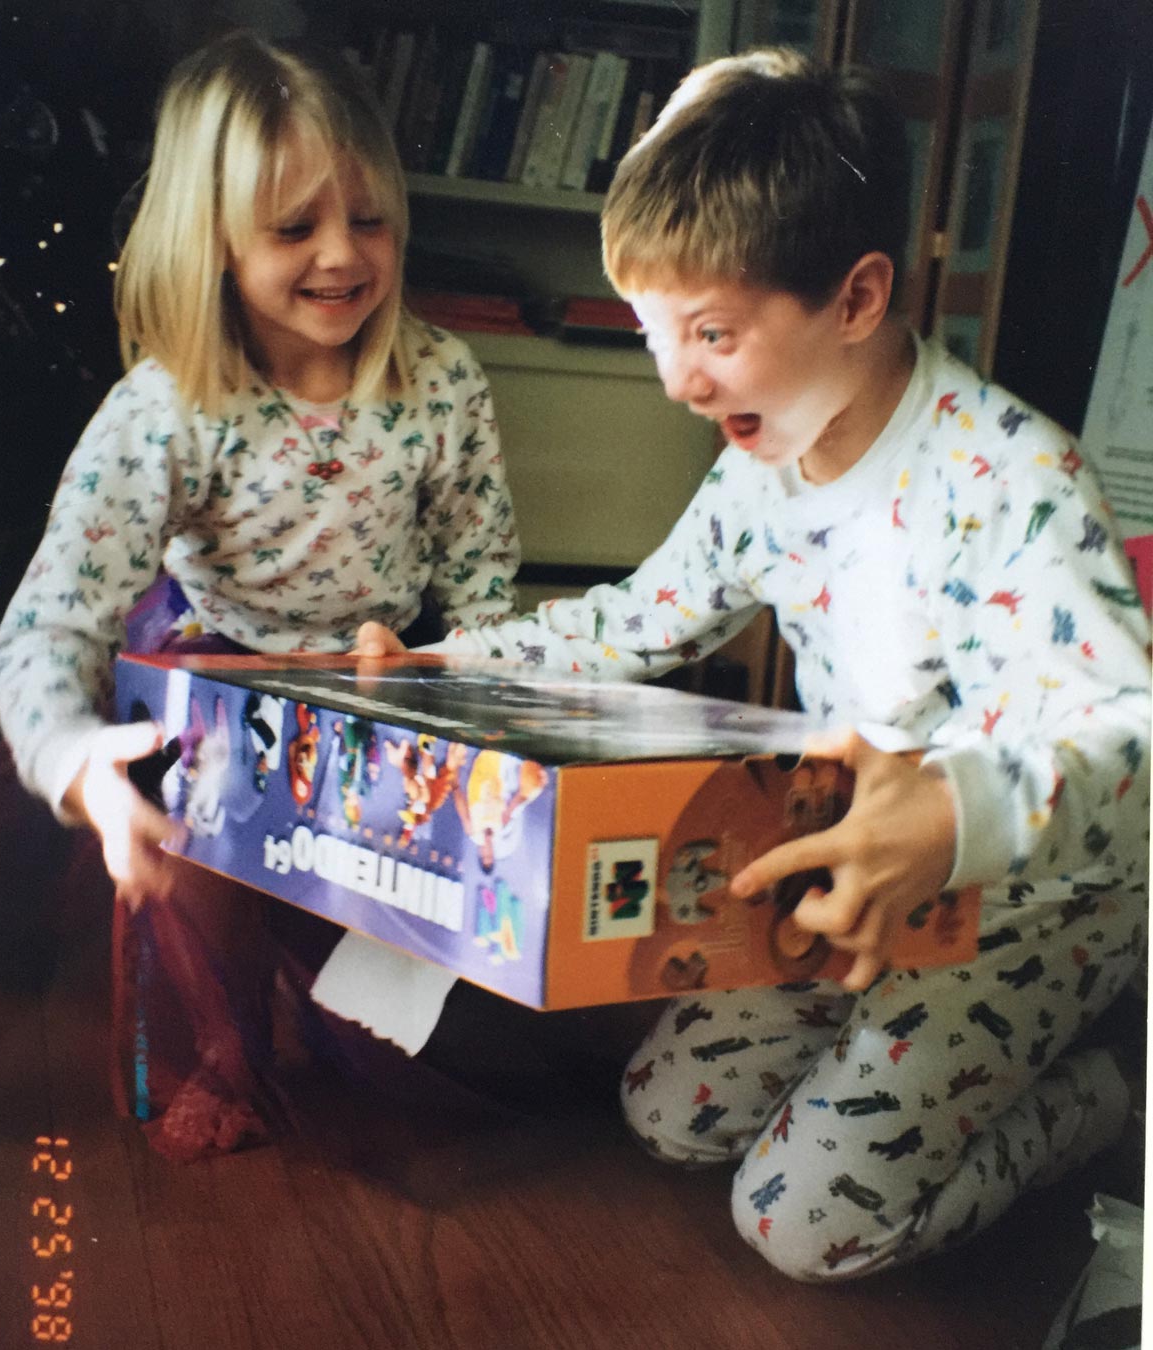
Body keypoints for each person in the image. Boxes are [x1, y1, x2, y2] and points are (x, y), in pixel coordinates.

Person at [357, 47, 1151, 1280]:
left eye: (713, 331)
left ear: (855, 297)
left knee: (799, 1225)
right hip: (842, 880)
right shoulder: (763, 469)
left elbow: (1133, 736)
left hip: (1032, 905)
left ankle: (1102, 1100)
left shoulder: (1013, 477)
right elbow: (636, 621)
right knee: (667, 1120)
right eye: (653, 332)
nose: (676, 379)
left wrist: (949, 812)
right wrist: (441, 663)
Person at [0, 29, 519, 1159]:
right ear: (215, 240)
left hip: (386, 684)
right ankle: (228, 1053)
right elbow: (49, 620)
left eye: (368, 218)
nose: (341, 255)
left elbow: (483, 574)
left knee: (423, 999)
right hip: (218, 686)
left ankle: (349, 1018)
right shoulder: (166, 406)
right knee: (201, 856)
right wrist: (75, 757)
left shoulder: (444, 382)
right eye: (294, 227)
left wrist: (476, 681)